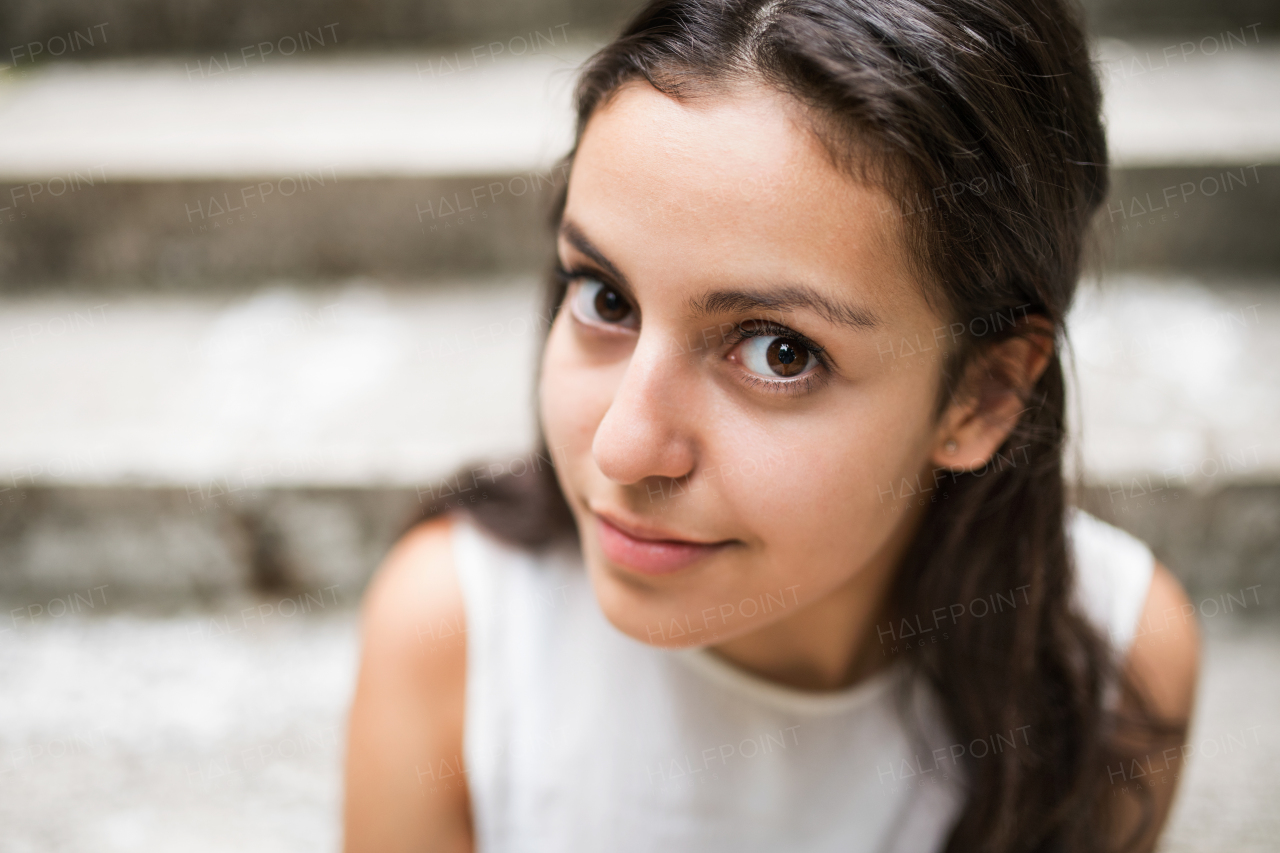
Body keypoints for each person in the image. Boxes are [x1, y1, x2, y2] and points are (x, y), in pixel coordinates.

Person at [343, 1, 1200, 850]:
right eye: (606, 297)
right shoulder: (456, 633)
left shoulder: (1110, 672)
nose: (623, 446)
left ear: (983, 397)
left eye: (780, 353)